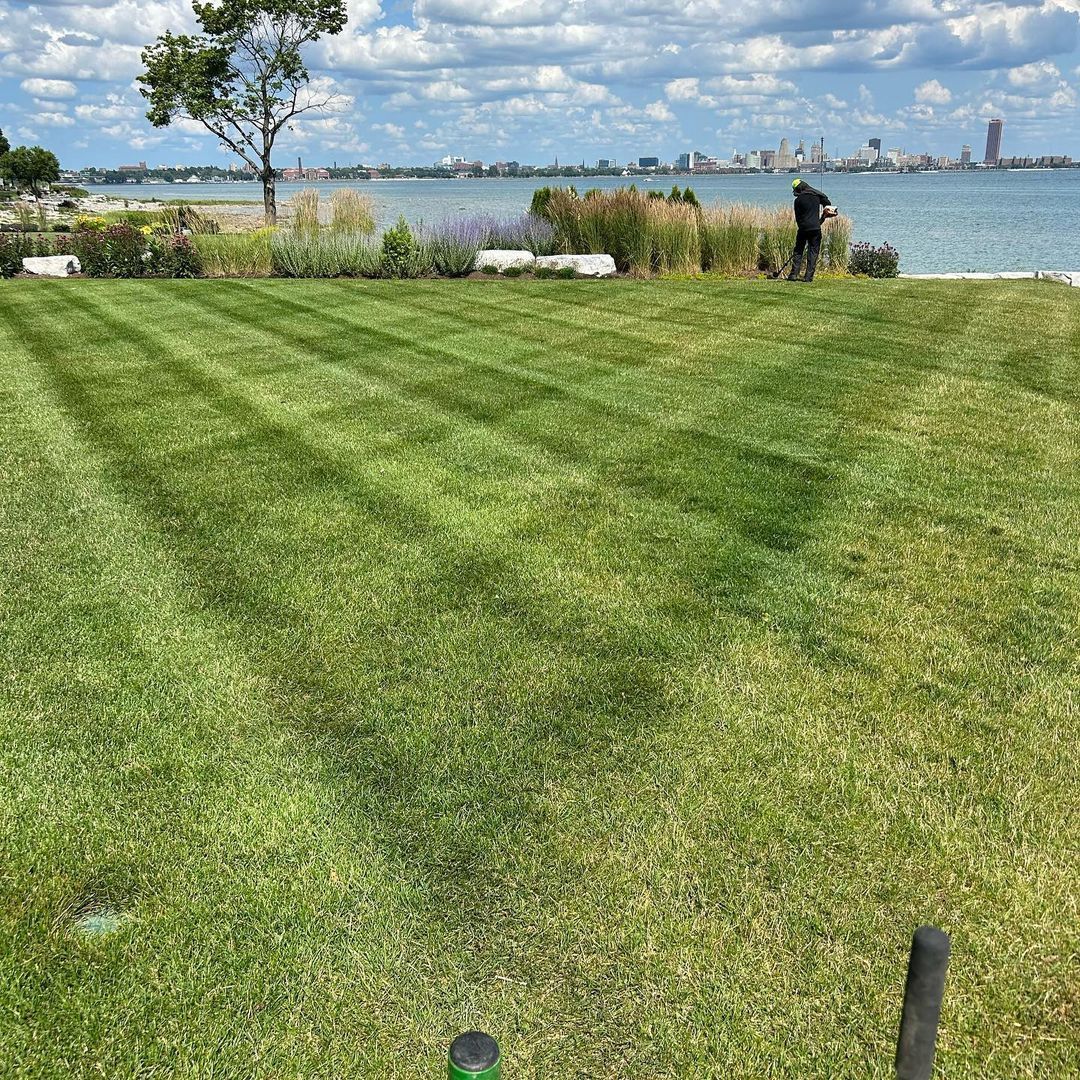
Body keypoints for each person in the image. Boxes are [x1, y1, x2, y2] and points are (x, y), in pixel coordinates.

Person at [787, 178, 835, 282]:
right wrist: (823, 216)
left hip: (803, 229)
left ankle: (793, 274)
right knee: (813, 252)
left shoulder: (797, 200)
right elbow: (827, 202)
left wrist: (802, 227)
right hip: (815, 229)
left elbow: (798, 218)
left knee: (798, 250)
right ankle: (808, 277)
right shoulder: (816, 196)